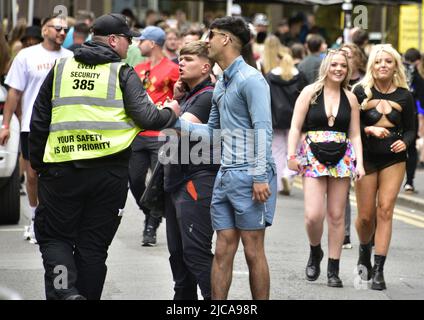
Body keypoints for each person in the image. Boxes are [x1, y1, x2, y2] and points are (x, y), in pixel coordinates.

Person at [28, 13, 179, 300]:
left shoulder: (61, 68)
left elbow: (39, 119)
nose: (130, 45)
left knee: (56, 239)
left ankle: (66, 293)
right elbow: (147, 117)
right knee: (93, 248)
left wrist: (38, 164)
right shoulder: (122, 72)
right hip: (107, 176)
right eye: (127, 40)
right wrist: (173, 110)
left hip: (61, 172)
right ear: (113, 40)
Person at [169, 16, 277, 300]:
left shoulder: (252, 80)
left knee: (253, 251)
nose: (207, 40)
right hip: (225, 174)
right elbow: (212, 133)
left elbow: (263, 130)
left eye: (211, 35)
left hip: (250, 174)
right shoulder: (222, 83)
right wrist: (174, 121)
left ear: (226, 39)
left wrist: (259, 176)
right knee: (222, 249)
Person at [287, 49, 365, 288]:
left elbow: (354, 134)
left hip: (342, 158)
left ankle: (333, 268)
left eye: (343, 65)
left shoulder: (350, 97)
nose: (339, 69)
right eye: (334, 65)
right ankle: (315, 250)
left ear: (348, 69)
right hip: (312, 155)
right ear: (326, 67)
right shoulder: (310, 93)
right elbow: (295, 127)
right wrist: (291, 156)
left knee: (337, 215)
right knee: (313, 216)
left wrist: (359, 163)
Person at [0, 14, 73, 243]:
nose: (62, 33)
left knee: (60, 174)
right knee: (32, 175)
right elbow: (14, 92)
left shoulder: (71, 57)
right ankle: (34, 218)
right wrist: (6, 125)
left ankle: (55, 220)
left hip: (62, 126)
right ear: (44, 30)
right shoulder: (26, 56)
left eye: (65, 30)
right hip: (32, 124)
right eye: (57, 28)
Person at [353, 44, 416, 290]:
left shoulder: (404, 95)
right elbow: (351, 126)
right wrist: (368, 129)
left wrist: (406, 142)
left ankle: (379, 269)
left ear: (395, 66)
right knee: (366, 216)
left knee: (385, 210)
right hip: (366, 156)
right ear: (372, 65)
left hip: (393, 158)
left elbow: (412, 129)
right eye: (378, 61)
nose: (383, 66)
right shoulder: (360, 91)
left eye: (388, 62)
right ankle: (363, 250)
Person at [164, 41, 219, 300]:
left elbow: (178, 128)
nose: (181, 63)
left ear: (206, 67)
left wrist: (169, 109)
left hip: (197, 180)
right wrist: (178, 99)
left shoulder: (208, 95)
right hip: (178, 181)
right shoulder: (190, 95)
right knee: (178, 256)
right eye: (179, 59)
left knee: (195, 253)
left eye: (187, 59)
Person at [131, 26, 180, 246]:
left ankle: (151, 225)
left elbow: (181, 93)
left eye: (141, 40)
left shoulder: (171, 68)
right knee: (134, 180)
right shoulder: (138, 67)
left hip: (161, 133)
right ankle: (153, 212)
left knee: (158, 182)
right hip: (138, 133)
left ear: (152, 43)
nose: (138, 44)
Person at [265, 48, 307, 195]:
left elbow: (265, 98)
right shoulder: (299, 76)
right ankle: (287, 174)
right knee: (294, 151)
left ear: (278, 59)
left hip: (275, 118)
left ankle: (277, 184)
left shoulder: (270, 76)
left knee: (277, 151)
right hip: (295, 118)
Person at [339, 43, 367, 249]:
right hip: (342, 142)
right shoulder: (335, 80)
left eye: (348, 55)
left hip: (365, 141)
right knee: (343, 189)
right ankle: (345, 233)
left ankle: (367, 231)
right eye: (342, 55)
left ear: (357, 58)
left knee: (364, 190)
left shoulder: (365, 83)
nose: (345, 59)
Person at [402, 48, 423, 193]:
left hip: (393, 114)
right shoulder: (417, 77)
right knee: (411, 148)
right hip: (411, 116)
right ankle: (409, 182)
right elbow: (422, 100)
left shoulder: (397, 71)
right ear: (417, 61)